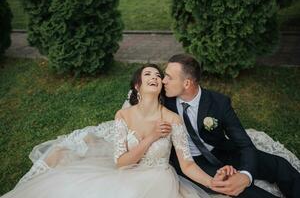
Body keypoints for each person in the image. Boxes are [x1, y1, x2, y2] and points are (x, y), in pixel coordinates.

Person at [1, 64, 234, 198]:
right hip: (126, 173)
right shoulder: (123, 115)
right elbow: (121, 162)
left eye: (157, 75)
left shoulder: (172, 119)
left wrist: (213, 182)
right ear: (137, 86)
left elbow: (187, 165)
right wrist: (151, 137)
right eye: (147, 74)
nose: (154, 77)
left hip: (158, 179)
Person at [162, 54, 300, 198]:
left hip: (221, 151)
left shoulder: (219, 103)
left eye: (169, 77)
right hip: (192, 162)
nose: (163, 81)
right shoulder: (163, 99)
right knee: (238, 188)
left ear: (187, 83)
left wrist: (246, 175)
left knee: (279, 165)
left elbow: (245, 144)